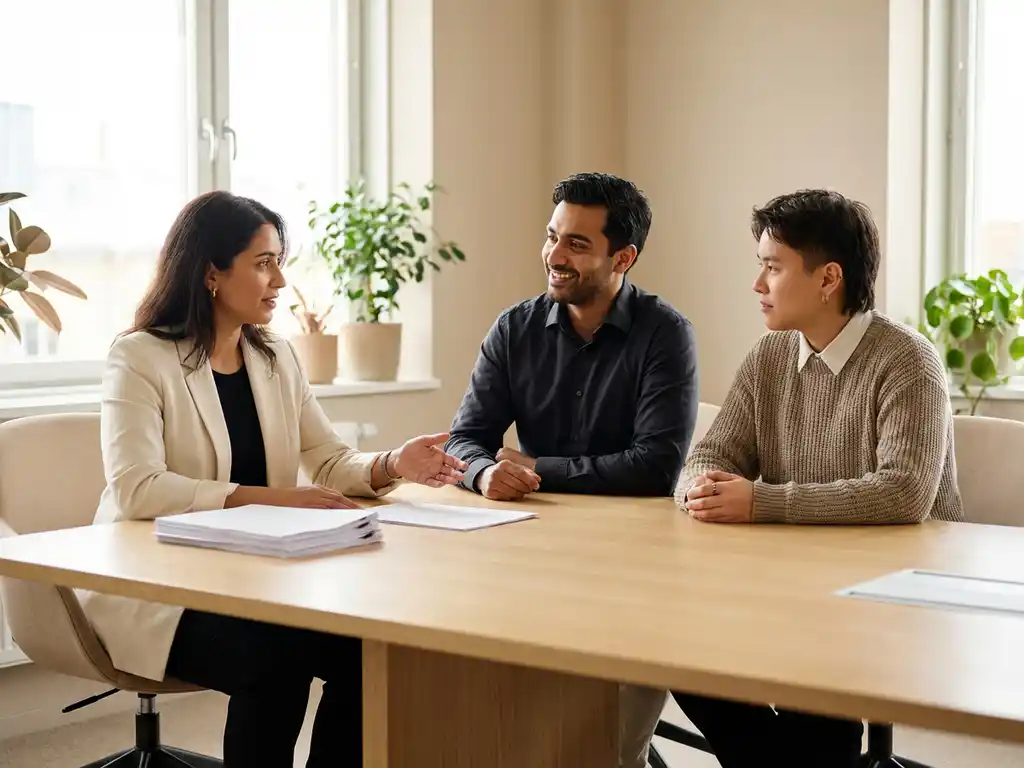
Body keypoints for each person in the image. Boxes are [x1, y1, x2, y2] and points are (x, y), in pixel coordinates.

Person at [79, 190, 467, 768]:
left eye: (279, 261)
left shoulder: (275, 357)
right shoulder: (140, 357)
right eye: (263, 263)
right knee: (275, 664)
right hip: (161, 589)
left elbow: (329, 460)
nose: (280, 280)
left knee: (372, 655)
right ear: (211, 271)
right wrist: (271, 498)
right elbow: (137, 487)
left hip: (260, 581)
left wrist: (391, 465)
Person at [671, 189, 964, 768]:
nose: (758, 284)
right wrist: (701, 485)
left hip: (895, 593)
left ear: (828, 278)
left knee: (811, 691)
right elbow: (709, 452)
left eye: (773, 267)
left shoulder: (908, 361)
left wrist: (762, 502)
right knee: (680, 651)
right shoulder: (770, 356)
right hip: (794, 585)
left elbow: (904, 492)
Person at [445, 171, 698, 767]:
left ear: (624, 258)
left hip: (633, 571)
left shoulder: (666, 335)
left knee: (601, 750)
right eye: (552, 236)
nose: (554, 256)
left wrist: (538, 469)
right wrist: (484, 474)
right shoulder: (515, 329)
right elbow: (465, 438)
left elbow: (656, 467)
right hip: (532, 563)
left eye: (577, 245)